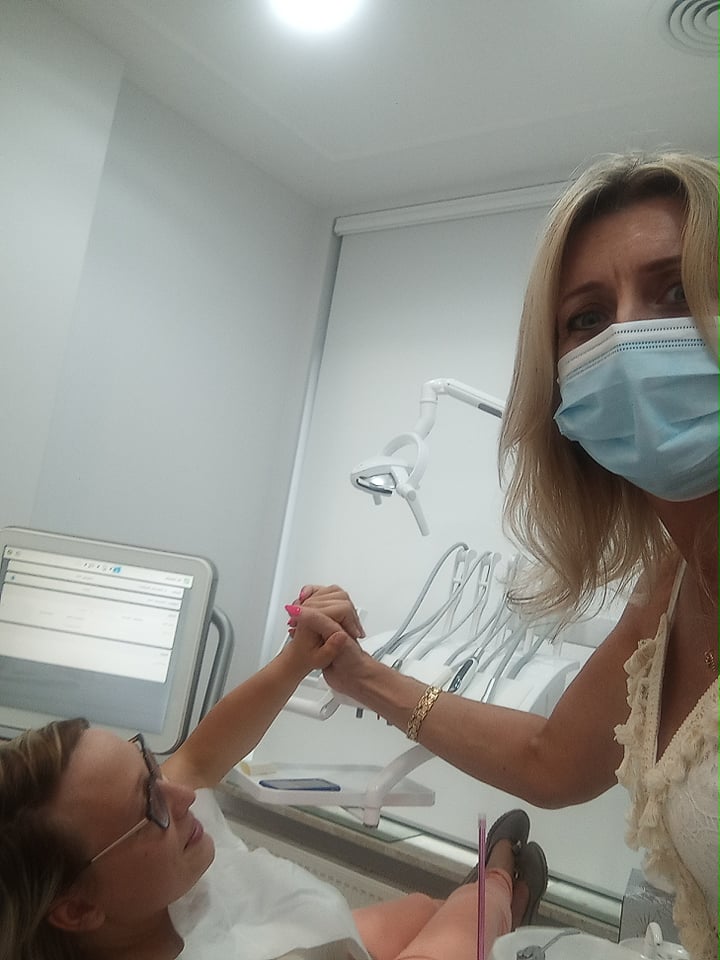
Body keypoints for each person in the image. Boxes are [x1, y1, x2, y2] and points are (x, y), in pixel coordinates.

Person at [288, 152, 718, 960]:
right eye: (587, 318)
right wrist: (357, 673)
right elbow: (553, 761)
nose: (629, 340)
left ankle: (493, 888)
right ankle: (493, 887)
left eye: (678, 291)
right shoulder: (672, 584)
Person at [0, 599, 547, 960]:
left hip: (314, 926)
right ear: (77, 909)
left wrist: (298, 657)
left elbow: (199, 758)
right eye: (152, 805)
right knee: (471, 918)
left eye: (148, 767)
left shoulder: (141, 882)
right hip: (317, 944)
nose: (182, 794)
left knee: (425, 909)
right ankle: (504, 890)